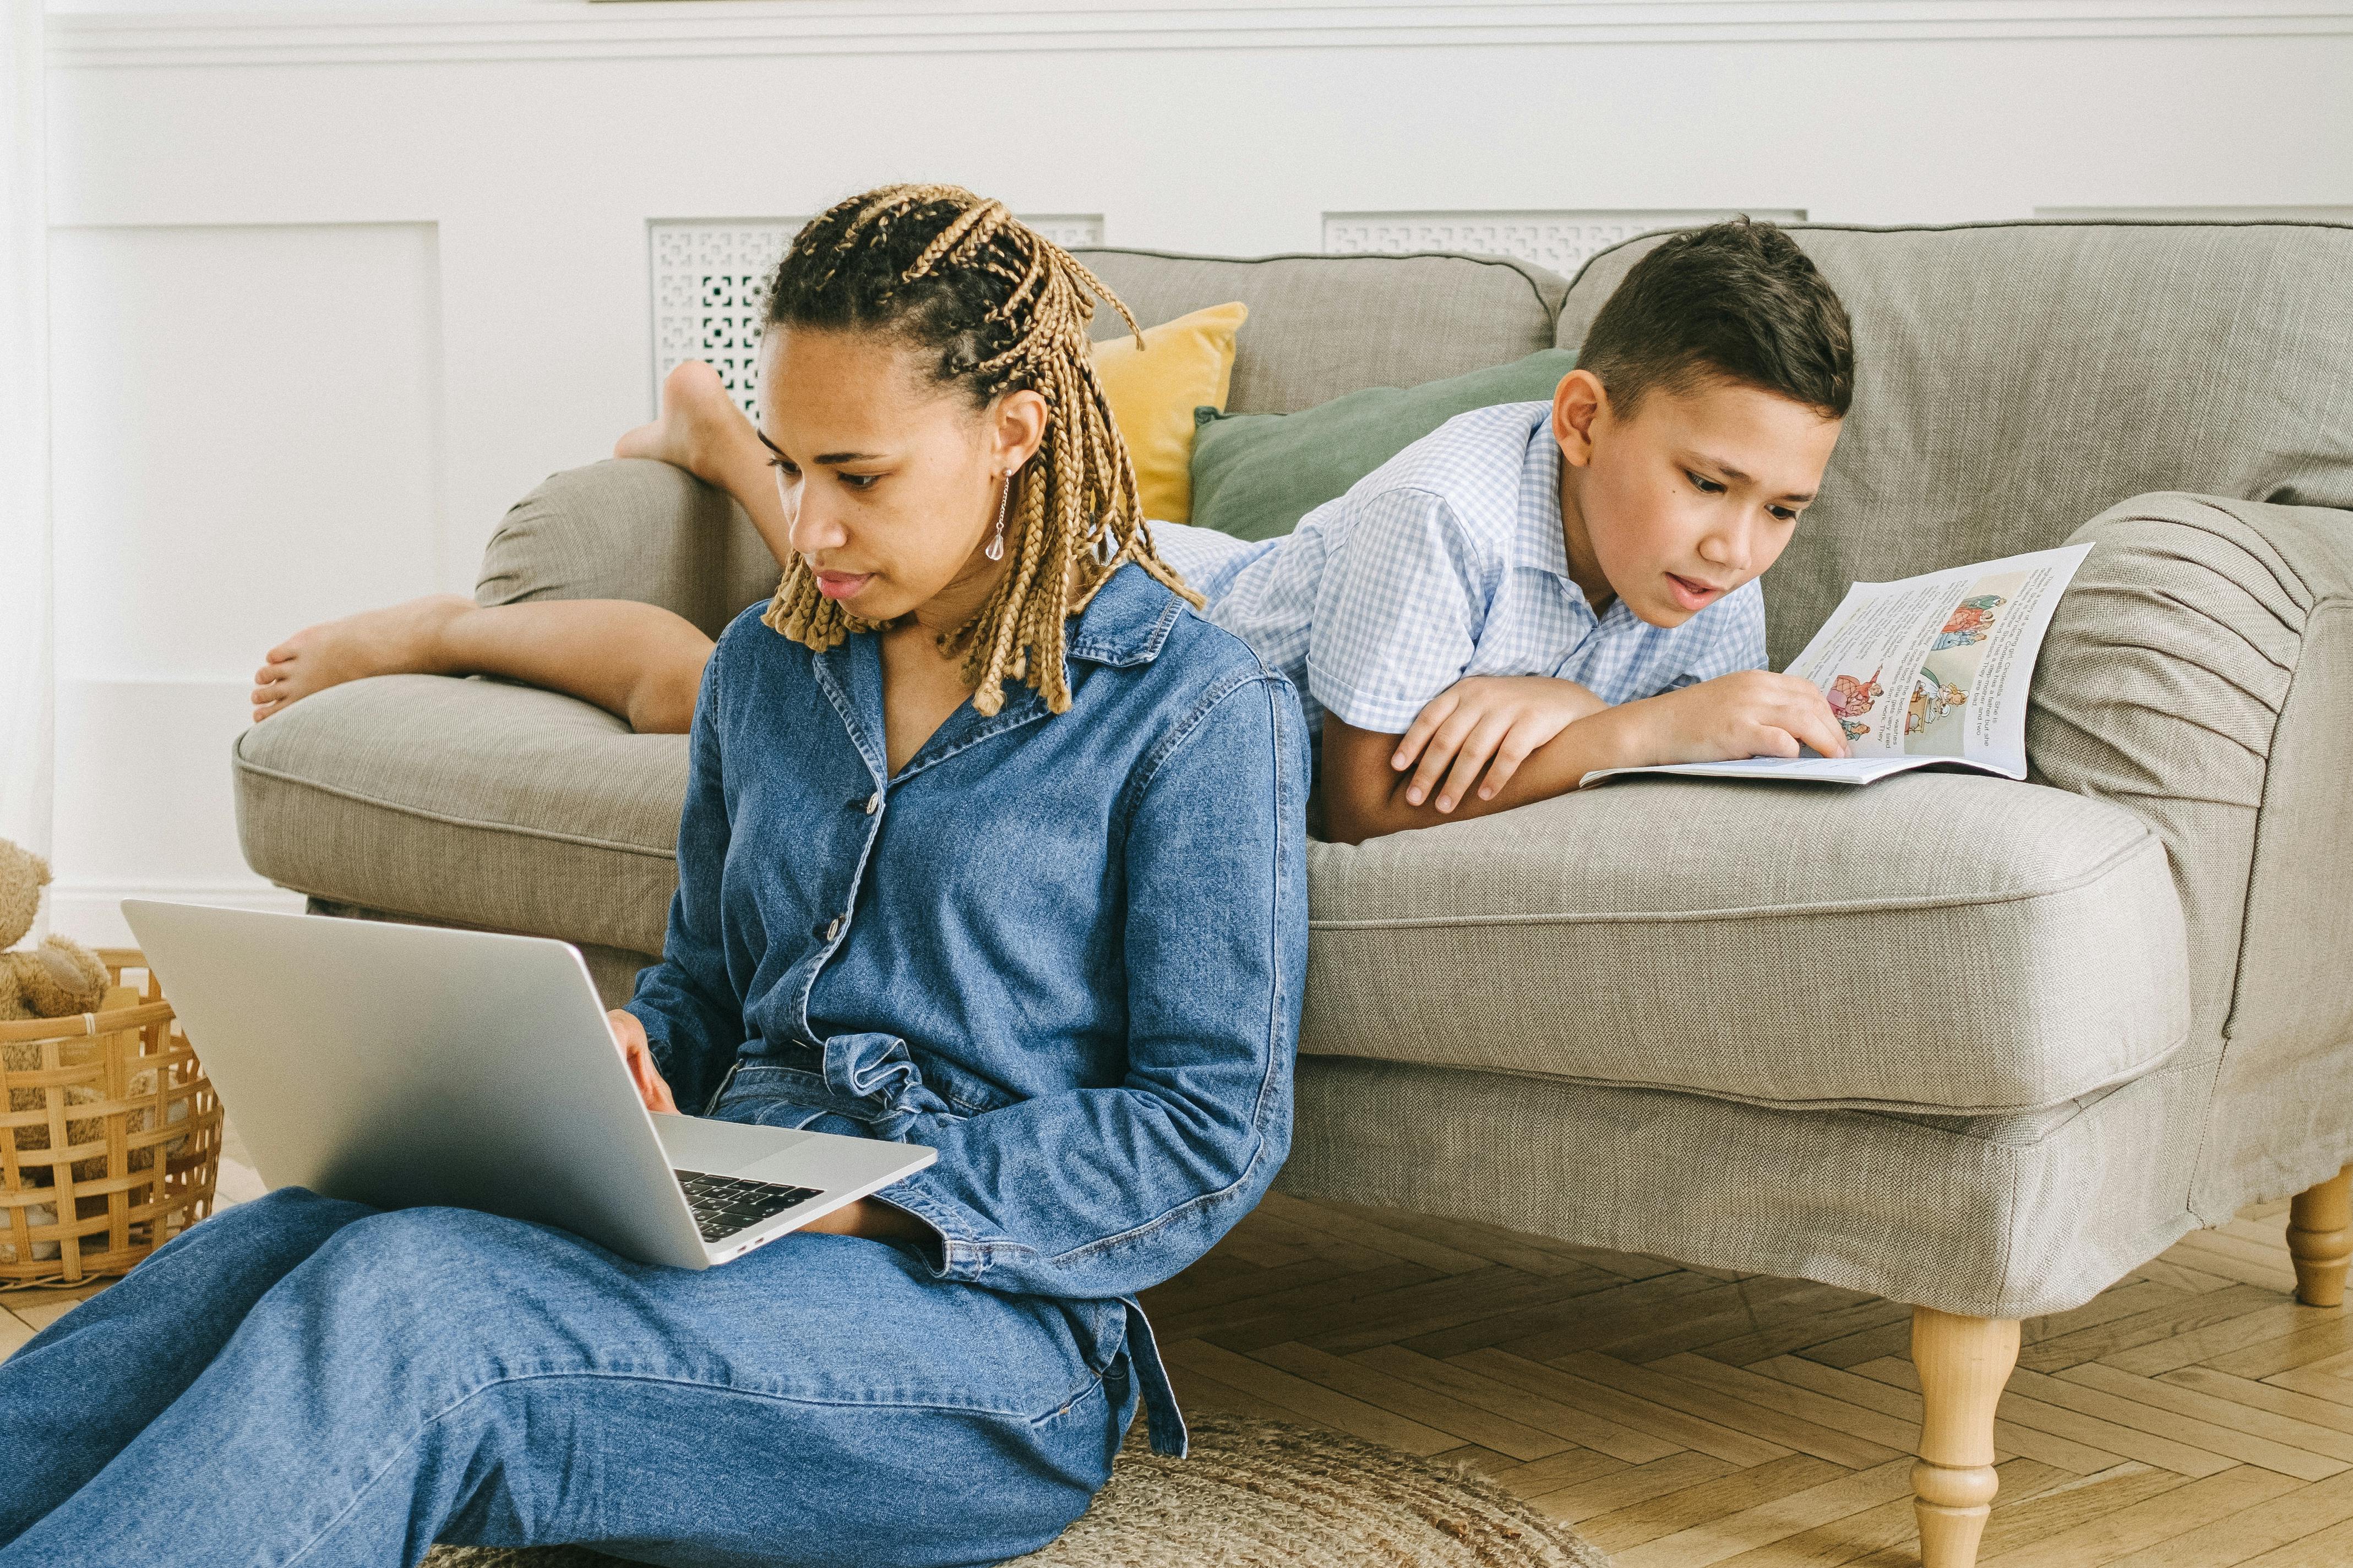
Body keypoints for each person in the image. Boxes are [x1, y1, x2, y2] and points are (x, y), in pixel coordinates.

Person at [1, 185, 1310, 1568]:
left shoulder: (1193, 707)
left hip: (977, 1340)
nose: (807, 529)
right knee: (301, 1234)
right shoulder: (769, 667)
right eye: (791, 467)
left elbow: (1207, 1128)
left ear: (1014, 434)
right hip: (718, 1215)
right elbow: (706, 986)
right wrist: (630, 1060)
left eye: (858, 477)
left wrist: (868, 1193)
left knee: (431, 1310)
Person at [247, 218, 1853, 842]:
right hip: (1109, 611)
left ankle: (725, 443)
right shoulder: (1445, 514)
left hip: (1185, 590)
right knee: (758, 656)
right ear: (1582, 424)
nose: (1733, 546)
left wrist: (1600, 713)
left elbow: (1694, 734)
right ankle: (456, 622)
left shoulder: (1691, 582)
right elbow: (1359, 796)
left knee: (843, 544)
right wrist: (1625, 725)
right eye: (1709, 485)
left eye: (1780, 508)